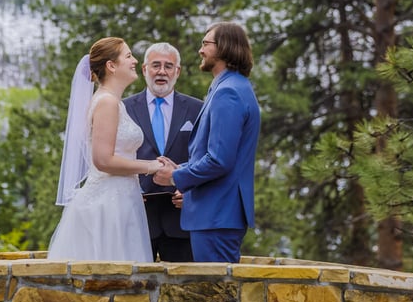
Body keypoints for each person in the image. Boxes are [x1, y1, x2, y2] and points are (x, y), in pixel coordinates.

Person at [48, 37, 176, 262]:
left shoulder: (114, 102)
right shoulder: (107, 102)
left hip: (124, 198)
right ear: (111, 65)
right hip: (108, 205)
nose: (134, 60)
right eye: (128, 56)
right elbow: (103, 160)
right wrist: (151, 166)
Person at [154, 22, 261, 263]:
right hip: (216, 215)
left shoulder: (228, 93)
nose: (201, 50)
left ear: (224, 47)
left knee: (216, 296)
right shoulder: (229, 87)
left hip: (217, 214)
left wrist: (175, 177)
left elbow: (219, 160)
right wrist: (180, 167)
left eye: (206, 44)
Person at [124, 42, 203, 262]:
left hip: (181, 220)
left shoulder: (197, 109)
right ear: (144, 69)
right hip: (136, 219)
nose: (161, 71)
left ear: (177, 71)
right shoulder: (123, 108)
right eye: (156, 65)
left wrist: (192, 192)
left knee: (184, 292)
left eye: (168, 66)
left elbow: (204, 157)